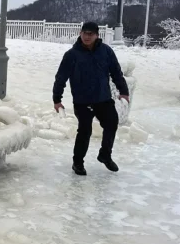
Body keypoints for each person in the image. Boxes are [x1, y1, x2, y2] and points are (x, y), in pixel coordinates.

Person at [52, 22, 129, 176]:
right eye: (85, 33)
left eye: (91, 34)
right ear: (80, 33)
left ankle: (105, 155)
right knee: (85, 131)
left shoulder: (106, 51)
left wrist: (124, 91)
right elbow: (61, 78)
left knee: (112, 123)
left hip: (103, 98)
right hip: (83, 100)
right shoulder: (71, 55)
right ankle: (78, 162)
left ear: (97, 35)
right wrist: (57, 99)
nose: (87, 37)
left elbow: (116, 72)